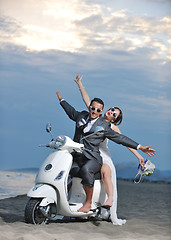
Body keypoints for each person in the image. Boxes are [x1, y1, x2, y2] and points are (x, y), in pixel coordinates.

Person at [56, 90, 156, 215]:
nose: (95, 111)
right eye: (112, 109)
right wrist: (67, 94)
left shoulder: (107, 126)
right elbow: (77, 108)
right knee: (66, 169)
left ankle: (101, 200)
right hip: (80, 153)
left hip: (97, 154)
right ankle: (62, 197)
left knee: (99, 172)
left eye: (114, 114)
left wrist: (140, 150)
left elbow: (121, 139)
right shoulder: (86, 114)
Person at [74, 74, 152, 225]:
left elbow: (124, 141)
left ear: (115, 119)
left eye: (114, 114)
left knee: (105, 173)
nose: (111, 112)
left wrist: (139, 155)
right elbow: (87, 99)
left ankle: (109, 199)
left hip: (103, 156)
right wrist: (80, 84)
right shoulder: (96, 114)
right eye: (111, 109)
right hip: (89, 152)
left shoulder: (112, 127)